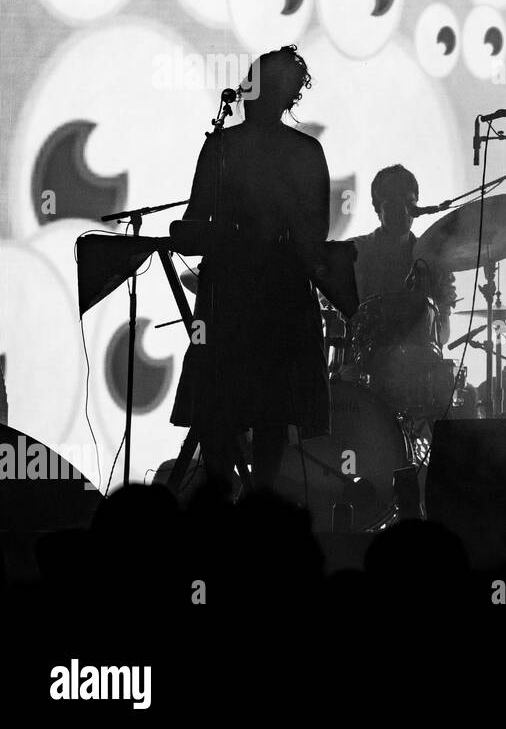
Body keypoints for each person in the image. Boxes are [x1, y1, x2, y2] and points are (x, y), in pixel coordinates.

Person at [171, 45, 331, 492]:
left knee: (255, 413)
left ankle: (241, 503)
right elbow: (197, 218)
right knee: (251, 414)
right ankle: (248, 504)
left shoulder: (234, 147)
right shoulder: (230, 147)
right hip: (245, 294)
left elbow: (314, 232)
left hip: (256, 295)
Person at [350, 165, 456, 342]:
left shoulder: (433, 257)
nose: (403, 212)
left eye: (409, 203)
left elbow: (443, 330)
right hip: (365, 359)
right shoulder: (355, 252)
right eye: (393, 205)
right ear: (377, 208)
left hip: (419, 363)